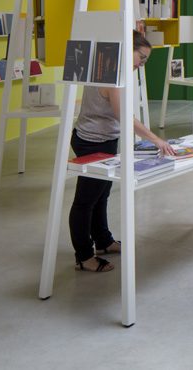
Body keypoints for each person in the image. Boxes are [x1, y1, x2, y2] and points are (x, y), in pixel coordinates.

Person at [70, 31, 175, 272]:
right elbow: (124, 116)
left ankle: (103, 241)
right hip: (92, 142)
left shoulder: (110, 68)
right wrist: (156, 139)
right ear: (128, 49)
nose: (141, 64)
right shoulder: (111, 75)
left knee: (101, 195)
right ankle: (84, 256)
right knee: (85, 202)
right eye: (141, 57)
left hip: (104, 140)